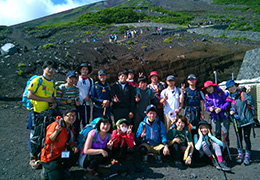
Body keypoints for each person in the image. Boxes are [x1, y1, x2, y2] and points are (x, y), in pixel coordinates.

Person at [27, 60, 57, 169]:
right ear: (44, 69)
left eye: (53, 69)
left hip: (47, 114)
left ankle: (41, 155)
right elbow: (29, 95)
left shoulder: (52, 83)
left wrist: (53, 104)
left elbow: (53, 98)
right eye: (49, 68)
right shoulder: (37, 80)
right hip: (36, 112)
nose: (51, 70)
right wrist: (45, 99)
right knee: (34, 134)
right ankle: (33, 157)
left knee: (44, 134)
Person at [40, 109, 79, 180]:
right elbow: (48, 140)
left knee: (75, 153)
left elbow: (70, 141)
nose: (72, 118)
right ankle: (46, 170)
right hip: (50, 156)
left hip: (60, 153)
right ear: (64, 116)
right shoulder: (55, 125)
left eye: (74, 116)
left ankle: (64, 169)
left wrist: (73, 146)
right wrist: (56, 132)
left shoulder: (70, 127)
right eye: (70, 115)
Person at [226, 80, 255, 165]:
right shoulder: (229, 98)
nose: (232, 88)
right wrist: (231, 112)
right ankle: (240, 153)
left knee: (246, 138)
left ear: (236, 86)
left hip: (246, 120)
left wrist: (248, 93)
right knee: (239, 138)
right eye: (230, 88)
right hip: (237, 121)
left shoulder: (243, 94)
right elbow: (230, 107)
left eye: (233, 86)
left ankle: (247, 154)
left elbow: (251, 102)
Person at [202, 81, 230, 146]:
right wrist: (210, 109)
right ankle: (218, 150)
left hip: (223, 116)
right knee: (216, 133)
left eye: (210, 87)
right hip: (214, 117)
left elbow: (227, 102)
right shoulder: (206, 96)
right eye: (207, 88)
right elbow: (206, 106)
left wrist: (221, 108)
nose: (209, 89)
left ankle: (225, 149)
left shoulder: (220, 92)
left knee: (225, 133)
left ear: (213, 87)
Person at [56, 71, 81, 137]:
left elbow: (76, 98)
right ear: (66, 79)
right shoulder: (61, 88)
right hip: (62, 112)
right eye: (70, 78)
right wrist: (66, 101)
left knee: (73, 128)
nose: (72, 80)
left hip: (72, 111)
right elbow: (57, 101)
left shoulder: (76, 89)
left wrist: (76, 102)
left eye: (74, 78)